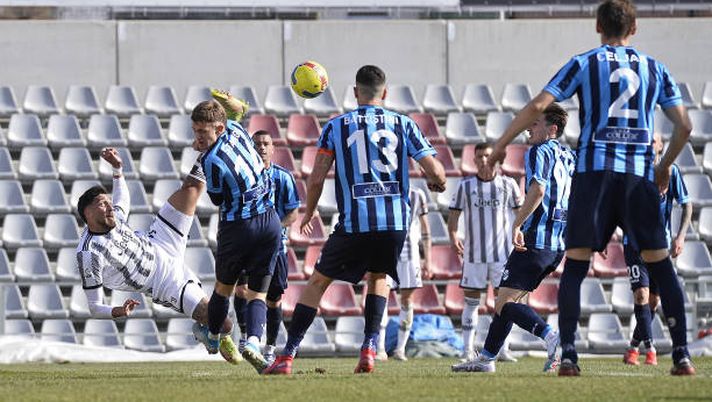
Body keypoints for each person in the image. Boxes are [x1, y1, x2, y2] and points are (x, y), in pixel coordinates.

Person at [488, 0, 695, 376]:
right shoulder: (655, 68)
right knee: (661, 266)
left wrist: (502, 144)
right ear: (634, 29)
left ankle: (568, 355)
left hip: (595, 175)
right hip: (637, 177)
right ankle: (681, 354)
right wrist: (663, 168)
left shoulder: (585, 62)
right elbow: (684, 127)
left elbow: (539, 104)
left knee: (577, 265)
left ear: (598, 25)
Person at [263, 65, 447, 375]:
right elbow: (437, 173)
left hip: (355, 223)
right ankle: (369, 347)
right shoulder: (403, 124)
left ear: (355, 93)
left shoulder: (336, 127)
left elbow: (317, 177)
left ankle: (287, 355)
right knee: (378, 278)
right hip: (394, 224)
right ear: (384, 93)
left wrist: (308, 212)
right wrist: (437, 183)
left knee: (318, 281)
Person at [76, 147, 239, 363]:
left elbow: (122, 198)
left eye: (109, 202)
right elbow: (94, 307)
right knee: (225, 324)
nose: (110, 207)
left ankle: (213, 142)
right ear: (87, 213)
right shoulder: (89, 254)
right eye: (102, 204)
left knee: (192, 187)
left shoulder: (114, 219)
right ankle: (209, 333)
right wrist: (119, 311)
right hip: (165, 283)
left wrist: (117, 169)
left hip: (161, 240)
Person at [452, 103, 575, 373]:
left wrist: (516, 224)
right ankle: (486, 358)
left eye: (536, 123)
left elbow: (538, 190)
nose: (529, 127)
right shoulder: (568, 155)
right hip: (557, 244)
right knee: (507, 301)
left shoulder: (538, 152)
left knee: (504, 303)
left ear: (552, 129)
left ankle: (551, 337)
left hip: (536, 240)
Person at [192, 100, 282, 373]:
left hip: (238, 227)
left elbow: (218, 198)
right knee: (258, 292)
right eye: (195, 131)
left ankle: (214, 336)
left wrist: (202, 153)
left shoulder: (210, 160)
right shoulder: (238, 130)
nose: (197, 138)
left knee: (223, 289)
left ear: (219, 128)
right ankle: (253, 343)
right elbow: (238, 112)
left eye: (202, 132)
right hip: (270, 222)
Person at [448, 142, 523, 363]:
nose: (483, 160)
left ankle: (503, 349)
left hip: (502, 255)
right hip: (474, 256)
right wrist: (453, 237)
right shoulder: (465, 186)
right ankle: (467, 350)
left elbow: (521, 215)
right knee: (471, 303)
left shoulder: (508, 185)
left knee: (505, 304)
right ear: (473, 160)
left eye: (487, 156)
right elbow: (453, 217)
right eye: (479, 156)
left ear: (496, 159)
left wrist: (520, 238)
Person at [231, 130, 300, 365]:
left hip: (275, 246)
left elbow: (293, 212)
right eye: (257, 143)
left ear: (273, 149)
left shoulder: (282, 177)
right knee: (241, 290)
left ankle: (270, 346)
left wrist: (272, 228)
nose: (261, 147)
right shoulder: (241, 176)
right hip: (246, 243)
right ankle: (244, 337)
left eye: (266, 143)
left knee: (274, 299)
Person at [623, 132, 691, 366]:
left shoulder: (671, 172)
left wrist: (680, 236)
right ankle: (650, 350)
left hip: (660, 246)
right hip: (633, 244)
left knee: (653, 302)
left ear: (661, 145)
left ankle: (633, 346)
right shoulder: (632, 173)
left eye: (654, 141)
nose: (650, 145)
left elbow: (686, 205)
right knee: (640, 295)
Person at [375, 187, 432, 362]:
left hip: (410, 255)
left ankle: (400, 349)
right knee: (381, 298)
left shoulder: (417, 194)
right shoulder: (381, 190)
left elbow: (425, 229)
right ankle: (380, 349)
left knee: (406, 300)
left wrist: (427, 260)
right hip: (385, 252)